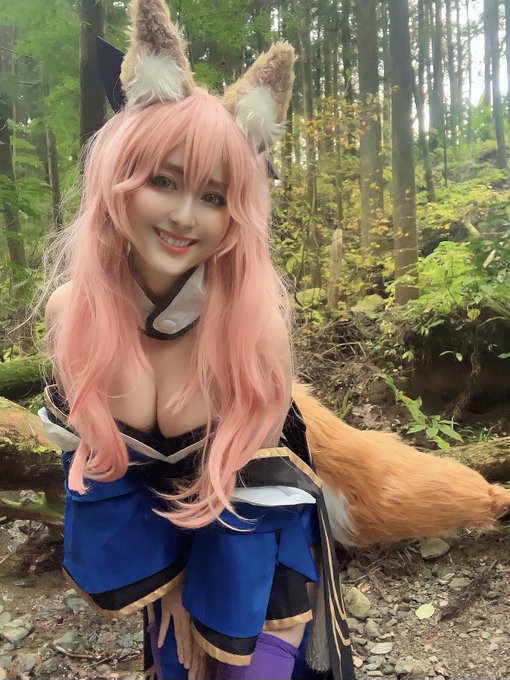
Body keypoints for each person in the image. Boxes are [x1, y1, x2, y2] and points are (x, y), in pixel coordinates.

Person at [39, 1, 354, 678]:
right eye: (163, 181)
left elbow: (258, 487)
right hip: (155, 553)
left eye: (213, 197)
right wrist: (171, 588)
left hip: (257, 551)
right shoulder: (74, 312)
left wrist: (212, 599)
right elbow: (100, 474)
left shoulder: (254, 324)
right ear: (120, 178)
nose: (185, 217)